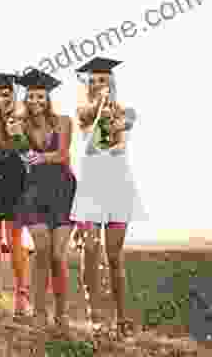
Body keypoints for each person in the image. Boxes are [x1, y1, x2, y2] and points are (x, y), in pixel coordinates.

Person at [71, 57, 145, 337]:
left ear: (112, 84)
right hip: (91, 187)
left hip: (117, 186)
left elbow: (118, 140)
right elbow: (89, 138)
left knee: (114, 255)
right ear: (88, 86)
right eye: (94, 81)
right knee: (90, 250)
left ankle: (122, 317)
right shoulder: (82, 113)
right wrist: (99, 107)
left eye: (104, 81)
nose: (100, 85)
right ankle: (95, 314)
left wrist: (112, 117)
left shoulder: (127, 112)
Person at [10, 70, 76, 334]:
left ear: (48, 97)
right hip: (34, 192)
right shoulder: (21, 125)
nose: (35, 100)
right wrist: (16, 135)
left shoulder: (64, 121)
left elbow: (62, 155)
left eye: (40, 95)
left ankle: (61, 313)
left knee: (59, 256)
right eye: (31, 96)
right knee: (42, 250)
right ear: (26, 99)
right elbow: (23, 157)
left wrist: (42, 157)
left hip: (62, 190)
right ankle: (39, 312)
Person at [0, 73, 33, 318]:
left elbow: (29, 150)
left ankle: (22, 293)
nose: (3, 99)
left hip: (16, 182)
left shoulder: (23, 117)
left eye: (7, 94)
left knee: (14, 240)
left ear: (14, 94)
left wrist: (18, 135)